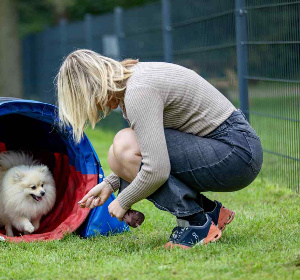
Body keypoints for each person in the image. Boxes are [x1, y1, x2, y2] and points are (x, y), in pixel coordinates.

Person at [56, 49, 263, 249]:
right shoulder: (133, 81)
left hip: (237, 152)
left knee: (124, 144)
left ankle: (196, 224)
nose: (98, 109)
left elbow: (156, 168)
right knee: (117, 153)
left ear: (93, 87)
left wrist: (122, 201)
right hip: (234, 146)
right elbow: (148, 149)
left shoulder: (138, 92)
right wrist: (110, 184)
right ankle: (211, 212)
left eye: (87, 101)